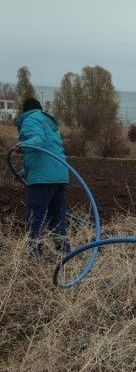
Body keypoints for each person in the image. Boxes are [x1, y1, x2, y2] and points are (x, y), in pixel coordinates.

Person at [15, 98, 70, 258]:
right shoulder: (49, 124)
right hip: (60, 176)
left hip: (42, 180)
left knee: (35, 217)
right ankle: (64, 255)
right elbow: (46, 153)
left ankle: (34, 257)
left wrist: (21, 145)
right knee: (57, 217)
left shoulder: (30, 119)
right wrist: (24, 172)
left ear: (24, 111)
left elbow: (38, 142)